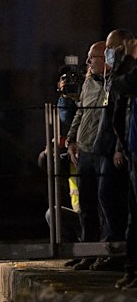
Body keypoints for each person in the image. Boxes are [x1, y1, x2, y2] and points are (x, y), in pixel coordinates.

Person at [64, 40, 128, 270]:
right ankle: (88, 252)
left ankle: (110, 252)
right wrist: (71, 140)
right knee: (87, 203)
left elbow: (120, 117)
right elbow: (80, 113)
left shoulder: (117, 84)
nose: (88, 61)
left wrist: (119, 148)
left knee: (107, 202)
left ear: (107, 59)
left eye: (93, 57)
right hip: (86, 150)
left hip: (105, 150)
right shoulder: (89, 82)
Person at [106, 30, 137, 289]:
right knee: (133, 214)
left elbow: (118, 85)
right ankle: (132, 269)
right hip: (133, 148)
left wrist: (128, 58)